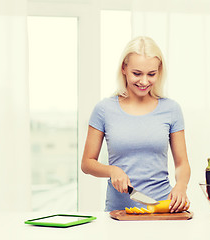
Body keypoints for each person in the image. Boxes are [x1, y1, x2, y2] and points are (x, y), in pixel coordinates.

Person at [81, 36, 191, 213]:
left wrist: (181, 186)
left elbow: (182, 163)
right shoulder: (104, 109)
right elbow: (87, 163)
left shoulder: (171, 109)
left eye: (151, 74)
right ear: (124, 68)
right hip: (119, 211)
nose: (144, 81)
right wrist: (112, 170)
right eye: (137, 73)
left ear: (159, 71)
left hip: (163, 208)